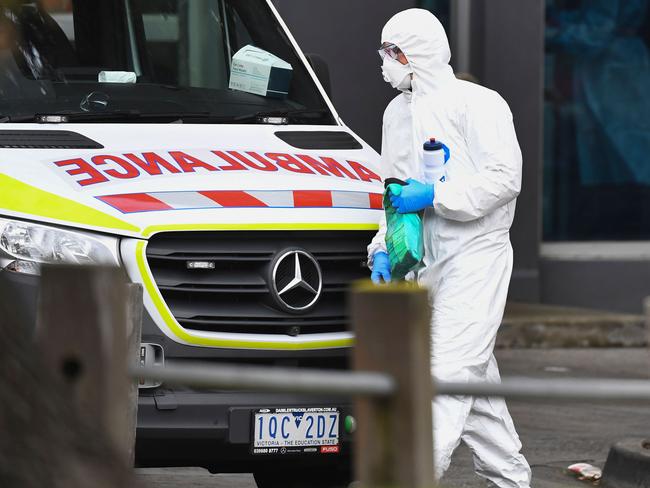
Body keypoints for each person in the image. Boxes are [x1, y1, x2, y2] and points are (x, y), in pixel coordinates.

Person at [367, 9, 532, 487]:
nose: (385, 63)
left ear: (416, 54)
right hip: (427, 260)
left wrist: (437, 195)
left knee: (442, 378)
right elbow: (395, 195)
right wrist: (384, 248)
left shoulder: (479, 104)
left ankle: (407, 477)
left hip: (476, 256)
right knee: (471, 385)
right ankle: (511, 481)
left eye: (392, 52)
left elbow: (505, 178)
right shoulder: (397, 114)